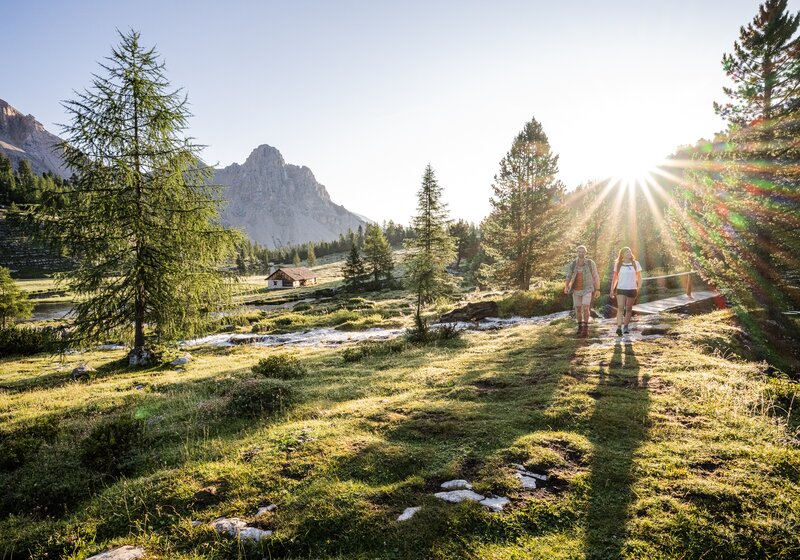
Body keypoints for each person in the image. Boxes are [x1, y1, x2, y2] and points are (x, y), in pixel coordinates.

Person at [564, 245, 600, 331]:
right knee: (578, 308)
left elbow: (596, 276)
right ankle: (580, 326)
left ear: (585, 252)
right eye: (579, 251)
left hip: (587, 288)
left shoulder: (590, 263)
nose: (581, 253)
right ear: (577, 253)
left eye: (583, 251)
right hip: (576, 289)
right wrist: (566, 286)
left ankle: (586, 326)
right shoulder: (573, 263)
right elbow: (568, 276)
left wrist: (597, 289)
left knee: (585, 307)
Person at [609, 246, 642, 336]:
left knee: (628, 308)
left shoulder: (636, 263)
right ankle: (619, 327)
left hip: (632, 288)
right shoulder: (618, 264)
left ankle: (626, 326)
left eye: (630, 251)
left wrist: (639, 286)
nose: (629, 253)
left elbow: (639, 277)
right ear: (622, 254)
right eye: (627, 252)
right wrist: (612, 289)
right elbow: (615, 278)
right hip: (621, 289)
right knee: (620, 308)